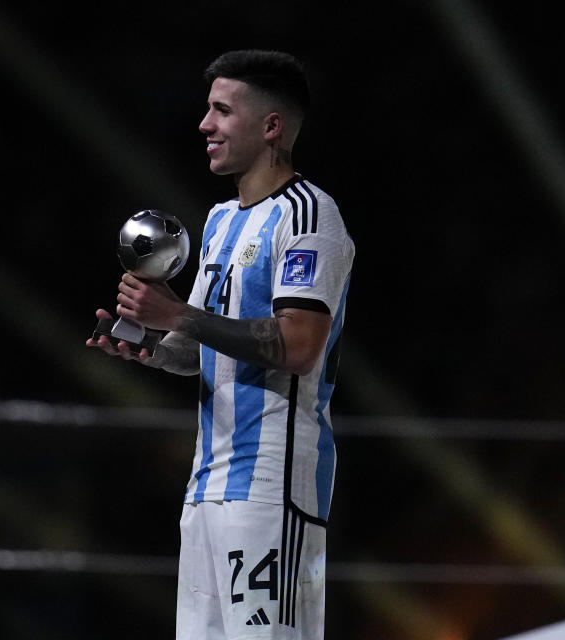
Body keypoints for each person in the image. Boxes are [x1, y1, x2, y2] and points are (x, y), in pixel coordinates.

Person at [87, 49, 354, 639]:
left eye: (221, 110)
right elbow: (206, 342)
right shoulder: (218, 221)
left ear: (271, 126)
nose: (204, 124)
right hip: (207, 483)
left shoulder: (310, 216)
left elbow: (297, 344)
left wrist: (180, 312)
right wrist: (153, 345)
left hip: (271, 484)